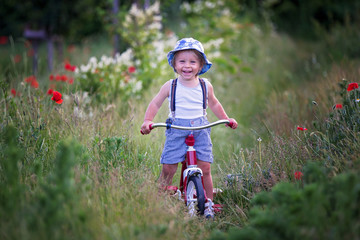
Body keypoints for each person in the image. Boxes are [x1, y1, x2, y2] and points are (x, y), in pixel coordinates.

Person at [141, 37, 237, 217]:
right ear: (175, 64)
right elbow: (155, 103)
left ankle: (208, 202)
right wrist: (148, 120)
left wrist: (225, 119)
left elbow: (214, 104)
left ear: (200, 66)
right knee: (169, 167)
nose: (187, 66)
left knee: (205, 168)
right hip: (177, 129)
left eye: (193, 62)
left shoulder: (205, 85)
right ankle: (160, 198)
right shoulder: (171, 85)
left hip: (201, 129)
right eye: (182, 61)